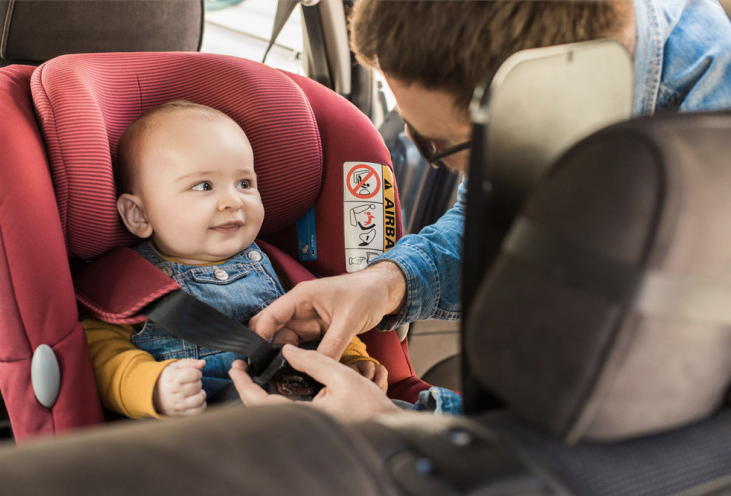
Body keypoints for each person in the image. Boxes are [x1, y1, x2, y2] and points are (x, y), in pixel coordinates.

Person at [230, 0, 731, 419]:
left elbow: (658, 442)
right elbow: (494, 216)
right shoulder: (554, 79)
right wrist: (385, 284)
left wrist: (396, 426)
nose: (418, 146)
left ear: (540, 102)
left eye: (436, 145)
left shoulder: (713, 156)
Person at [82, 100, 387, 419]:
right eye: (203, 186)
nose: (232, 201)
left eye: (244, 183)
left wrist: (352, 359)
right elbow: (103, 357)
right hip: (221, 431)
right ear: (139, 214)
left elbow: (323, 319)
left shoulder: (278, 267)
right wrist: (154, 387)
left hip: (320, 410)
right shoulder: (127, 287)